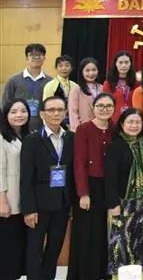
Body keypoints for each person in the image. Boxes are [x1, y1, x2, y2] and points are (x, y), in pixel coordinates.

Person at [20, 96, 74, 280]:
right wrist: (29, 209)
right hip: (39, 204)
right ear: (42, 113)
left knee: (55, 247)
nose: (56, 113)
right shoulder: (32, 140)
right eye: (51, 110)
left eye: (60, 109)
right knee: (34, 249)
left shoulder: (71, 138)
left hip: (62, 203)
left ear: (66, 113)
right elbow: (26, 178)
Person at [67, 93, 115, 280]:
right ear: (93, 107)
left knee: (105, 231)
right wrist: (83, 193)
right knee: (87, 233)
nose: (104, 109)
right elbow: (78, 163)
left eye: (109, 106)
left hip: (108, 186)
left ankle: (103, 272)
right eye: (100, 105)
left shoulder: (114, 128)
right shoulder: (83, 129)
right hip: (88, 186)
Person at [105, 108, 143, 280]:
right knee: (121, 244)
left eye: (138, 122)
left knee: (140, 243)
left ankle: (141, 276)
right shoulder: (115, 146)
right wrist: (113, 203)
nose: (134, 126)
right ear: (122, 124)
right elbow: (110, 178)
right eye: (130, 122)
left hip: (142, 203)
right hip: (122, 203)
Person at [0, 98, 30, 280]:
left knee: (20, 247)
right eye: (13, 112)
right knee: (7, 249)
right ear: (6, 116)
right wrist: (2, 201)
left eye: (23, 111)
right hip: (8, 203)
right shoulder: (2, 138)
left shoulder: (29, 136)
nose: (19, 115)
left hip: (24, 202)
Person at [2, 43, 51, 131]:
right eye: (32, 54)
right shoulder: (13, 80)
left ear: (44, 58)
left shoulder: (51, 82)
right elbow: (4, 106)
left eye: (39, 55)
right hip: (17, 129)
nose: (36, 57)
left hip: (43, 129)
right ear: (26, 58)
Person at [68, 57, 104, 132]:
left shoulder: (102, 88)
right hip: (83, 129)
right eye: (87, 70)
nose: (91, 73)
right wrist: (77, 131)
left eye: (94, 70)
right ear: (82, 72)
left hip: (101, 128)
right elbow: (73, 112)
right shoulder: (76, 89)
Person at [43, 55, 78, 128]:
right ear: (56, 68)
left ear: (71, 68)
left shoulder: (75, 85)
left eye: (67, 65)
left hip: (72, 122)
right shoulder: (50, 85)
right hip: (55, 121)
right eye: (60, 66)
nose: (64, 68)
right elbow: (45, 107)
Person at [103, 51, 137, 122]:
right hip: (113, 121)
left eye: (126, 62)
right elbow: (105, 104)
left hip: (132, 120)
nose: (124, 65)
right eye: (120, 62)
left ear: (130, 64)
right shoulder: (108, 84)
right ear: (116, 64)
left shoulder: (136, 83)